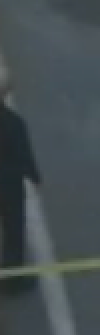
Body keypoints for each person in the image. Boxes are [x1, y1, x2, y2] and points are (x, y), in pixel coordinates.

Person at [0, 72, 41, 297]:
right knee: (13, 231)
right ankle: (12, 279)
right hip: (7, 186)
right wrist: (35, 178)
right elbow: (24, 155)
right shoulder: (13, 123)